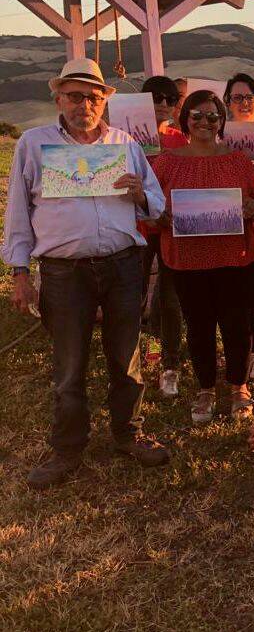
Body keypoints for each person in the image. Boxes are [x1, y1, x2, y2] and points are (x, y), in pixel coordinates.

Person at [2, 58, 170, 489]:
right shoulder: (35, 144)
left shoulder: (124, 142)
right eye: (75, 96)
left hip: (121, 266)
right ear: (58, 98)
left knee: (126, 357)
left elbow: (156, 202)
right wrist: (20, 272)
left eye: (93, 97)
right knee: (69, 365)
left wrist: (140, 194)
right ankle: (67, 449)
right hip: (64, 272)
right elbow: (19, 212)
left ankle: (128, 433)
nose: (85, 104)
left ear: (103, 102)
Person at [152, 90, 254, 424]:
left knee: (236, 325)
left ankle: (238, 387)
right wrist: (160, 216)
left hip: (234, 257)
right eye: (197, 116)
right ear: (185, 118)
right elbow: (152, 209)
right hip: (187, 261)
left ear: (221, 121)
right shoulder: (167, 161)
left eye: (212, 116)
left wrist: (252, 207)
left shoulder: (238, 160)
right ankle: (205, 388)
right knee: (198, 326)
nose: (204, 122)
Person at [138, 76, 188, 396]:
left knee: (170, 299)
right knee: (134, 296)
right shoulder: (123, 136)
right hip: (137, 230)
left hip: (171, 227)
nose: (164, 105)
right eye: (156, 97)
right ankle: (140, 355)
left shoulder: (181, 141)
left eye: (171, 99)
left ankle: (168, 362)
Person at [222, 73, 254, 381]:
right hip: (232, 224)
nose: (242, 103)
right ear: (227, 103)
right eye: (236, 98)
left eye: (248, 97)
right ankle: (246, 350)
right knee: (238, 290)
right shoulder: (218, 138)